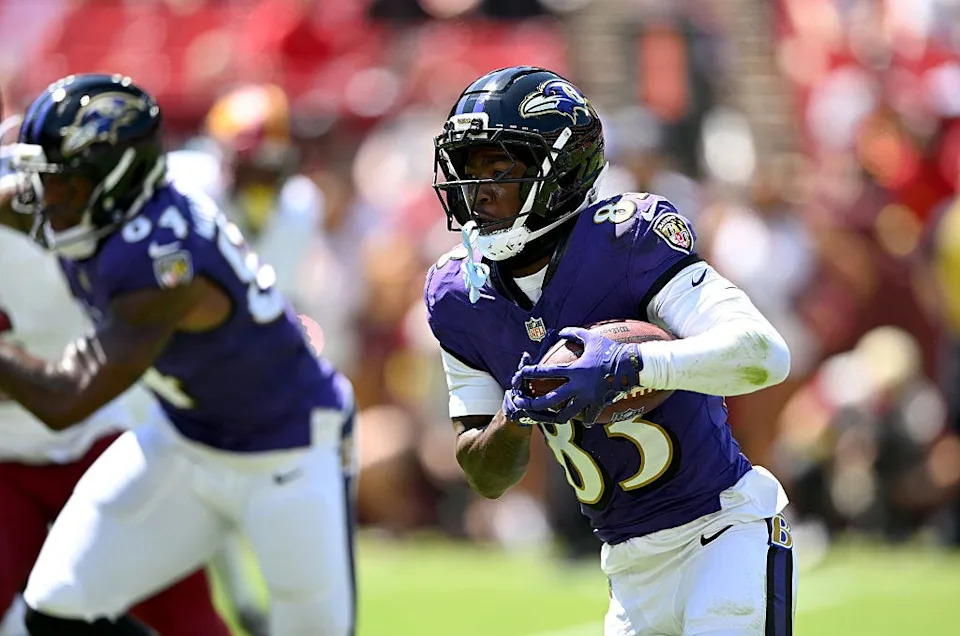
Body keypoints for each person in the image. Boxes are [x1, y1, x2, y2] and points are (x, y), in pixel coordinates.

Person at [425, 66, 795, 635]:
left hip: (723, 534)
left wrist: (630, 366)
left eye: (499, 168)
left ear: (562, 171)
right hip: (626, 568)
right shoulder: (459, 295)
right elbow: (486, 474)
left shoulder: (628, 240)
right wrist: (517, 412)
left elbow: (766, 353)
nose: (479, 191)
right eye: (468, 170)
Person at [0, 73, 356, 636]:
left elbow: (66, 398)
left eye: (60, 183)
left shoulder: (162, 263)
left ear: (110, 178)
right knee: (54, 611)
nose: (42, 198)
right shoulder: (99, 202)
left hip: (286, 450)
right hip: (184, 435)